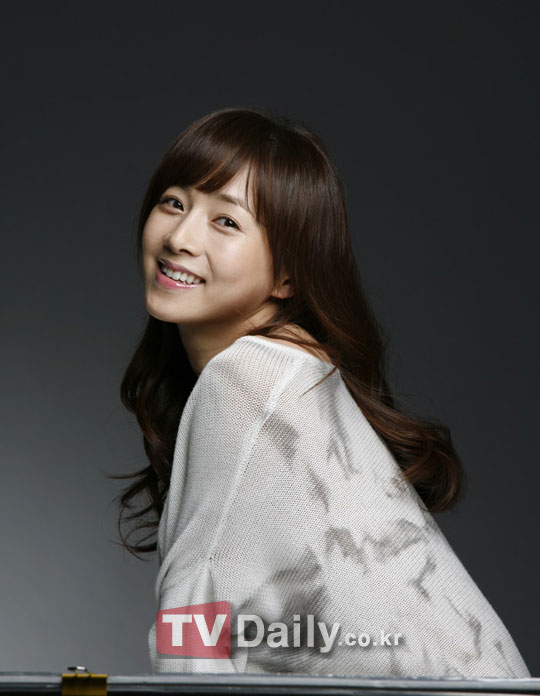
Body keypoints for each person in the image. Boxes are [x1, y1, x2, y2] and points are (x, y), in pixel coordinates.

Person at [109, 107, 531, 678]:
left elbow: (194, 638)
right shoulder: (297, 374)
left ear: (287, 275)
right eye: (174, 202)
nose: (179, 238)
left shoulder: (249, 380)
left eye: (226, 221)